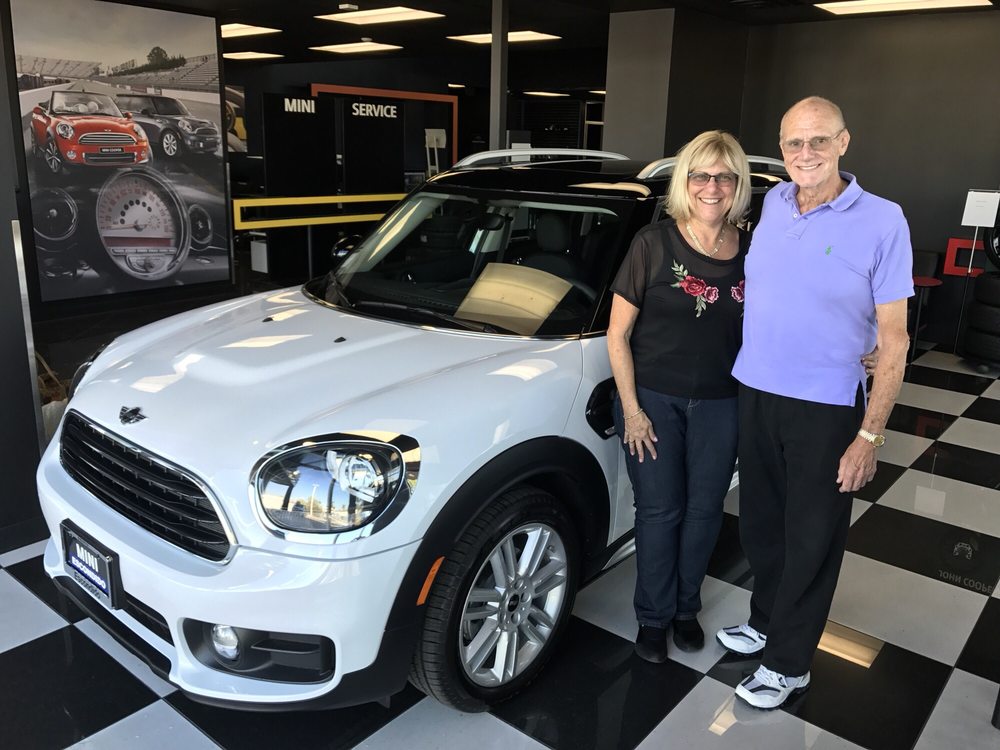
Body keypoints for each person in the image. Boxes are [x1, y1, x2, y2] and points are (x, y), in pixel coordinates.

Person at [718, 96, 912, 710]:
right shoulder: (774, 202)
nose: (806, 153)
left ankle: (789, 662)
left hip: (826, 406)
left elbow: (895, 339)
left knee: (811, 537)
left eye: (819, 140)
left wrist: (870, 436)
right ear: (782, 148)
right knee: (761, 526)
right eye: (794, 143)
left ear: (843, 143)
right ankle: (766, 621)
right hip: (756, 390)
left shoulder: (884, 220)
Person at [609, 130, 752, 662]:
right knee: (659, 511)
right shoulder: (653, 244)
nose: (712, 187)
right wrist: (632, 411)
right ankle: (653, 617)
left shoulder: (752, 250)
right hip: (653, 403)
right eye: (701, 175)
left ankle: (686, 609)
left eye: (724, 177)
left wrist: (858, 344)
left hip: (723, 403)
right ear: (684, 181)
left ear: (737, 185)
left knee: (704, 511)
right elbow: (617, 335)